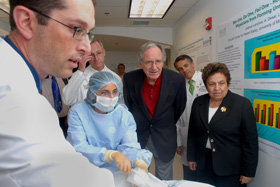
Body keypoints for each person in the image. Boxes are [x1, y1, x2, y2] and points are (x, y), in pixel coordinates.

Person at [0, 0, 115, 186]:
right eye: (77, 29)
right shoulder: (14, 97)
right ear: (27, 22)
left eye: (88, 33)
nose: (87, 48)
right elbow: (71, 179)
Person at [67, 71, 152, 175]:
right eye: (104, 92)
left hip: (114, 172)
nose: (111, 97)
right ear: (92, 94)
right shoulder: (78, 112)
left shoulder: (124, 115)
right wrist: (110, 155)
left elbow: (129, 146)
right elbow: (78, 146)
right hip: (85, 170)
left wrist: (139, 161)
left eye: (115, 92)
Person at [187, 62, 258, 187]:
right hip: (204, 162)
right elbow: (193, 132)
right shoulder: (198, 102)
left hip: (230, 167)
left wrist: (248, 171)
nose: (217, 88)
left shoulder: (242, 105)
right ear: (205, 85)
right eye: (211, 84)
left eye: (221, 83)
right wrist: (191, 157)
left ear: (228, 83)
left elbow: (250, 142)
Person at [123, 41, 187, 180]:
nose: (154, 67)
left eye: (158, 61)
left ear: (163, 61)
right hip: (139, 137)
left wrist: (164, 122)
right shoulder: (129, 79)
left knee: (163, 180)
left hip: (164, 138)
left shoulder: (177, 80)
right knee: (138, 178)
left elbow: (179, 108)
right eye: (148, 62)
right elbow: (129, 106)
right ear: (141, 64)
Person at [174, 54, 207, 181]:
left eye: (186, 66)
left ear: (193, 64)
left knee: (204, 175)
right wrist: (178, 141)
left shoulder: (206, 79)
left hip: (204, 135)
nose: (184, 70)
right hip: (186, 136)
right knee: (189, 175)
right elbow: (178, 115)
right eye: (180, 69)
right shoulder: (180, 86)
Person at [63, 39, 123, 106]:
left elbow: (120, 104)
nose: (96, 58)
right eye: (91, 55)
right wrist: (80, 71)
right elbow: (67, 100)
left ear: (104, 52)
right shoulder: (78, 76)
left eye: (99, 53)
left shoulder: (115, 78)